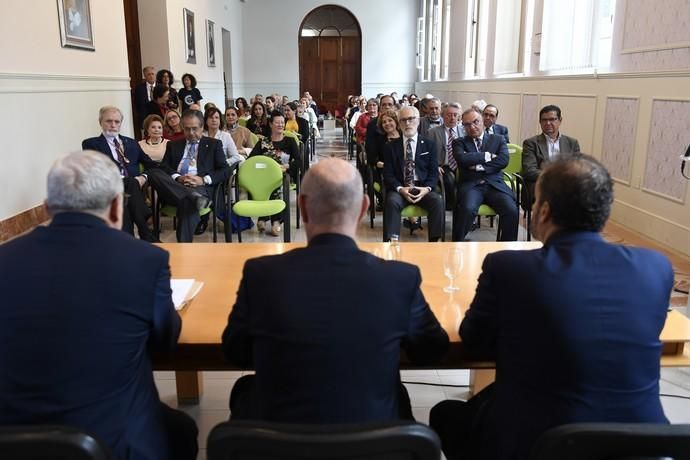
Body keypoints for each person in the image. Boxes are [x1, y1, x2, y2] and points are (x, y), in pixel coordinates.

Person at [430, 153, 672, 460]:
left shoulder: (510, 268)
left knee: (446, 414)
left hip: (542, 444)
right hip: (644, 445)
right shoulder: (656, 267)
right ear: (605, 212)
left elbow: (475, 340)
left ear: (543, 211)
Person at [0, 150, 198, 460]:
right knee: (182, 431)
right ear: (118, 207)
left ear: (47, 209)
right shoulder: (146, 260)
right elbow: (165, 341)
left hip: (15, 441)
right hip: (114, 442)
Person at [222, 157, 449, 423]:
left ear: (303, 208)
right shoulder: (400, 278)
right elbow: (432, 350)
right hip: (376, 444)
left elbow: (235, 351)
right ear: (364, 208)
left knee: (243, 389)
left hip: (278, 441)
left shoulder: (260, 274)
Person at [147, 109, 230, 242]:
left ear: (202, 127)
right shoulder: (173, 145)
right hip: (175, 187)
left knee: (187, 203)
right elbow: (164, 167)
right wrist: (178, 177)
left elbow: (225, 170)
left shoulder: (214, 145)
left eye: (194, 129)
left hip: (201, 188)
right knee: (152, 172)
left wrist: (203, 180)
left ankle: (183, 249)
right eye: (187, 129)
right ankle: (191, 197)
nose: (191, 133)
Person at [82, 105, 158, 242]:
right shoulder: (90, 144)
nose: (113, 125)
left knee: (127, 193)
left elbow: (150, 164)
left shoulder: (132, 143)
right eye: (108, 121)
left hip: (131, 189)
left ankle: (127, 240)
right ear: (100, 122)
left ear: (120, 124)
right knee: (129, 183)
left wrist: (143, 177)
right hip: (108, 187)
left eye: (117, 122)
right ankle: (145, 230)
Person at [452, 108, 518, 242]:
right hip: (472, 186)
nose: (472, 126)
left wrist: (478, 166)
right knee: (467, 209)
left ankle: (505, 248)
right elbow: (462, 159)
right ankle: (456, 244)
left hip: (495, 185)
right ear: (463, 126)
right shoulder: (459, 142)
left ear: (482, 121)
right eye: (467, 124)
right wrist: (487, 156)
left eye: (476, 122)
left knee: (511, 210)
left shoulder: (498, 139)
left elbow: (503, 161)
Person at [382, 106, 444, 242]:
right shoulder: (390, 147)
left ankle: (435, 242)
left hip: (422, 187)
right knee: (392, 202)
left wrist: (426, 189)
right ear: (399, 124)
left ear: (418, 121)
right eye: (403, 120)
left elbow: (433, 172)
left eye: (411, 119)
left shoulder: (429, 145)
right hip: (401, 188)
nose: (407, 123)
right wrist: (400, 189)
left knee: (437, 201)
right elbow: (388, 174)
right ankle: (391, 241)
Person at [247, 110, 300, 237]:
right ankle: (266, 217)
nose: (281, 125)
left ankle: (274, 220)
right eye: (277, 122)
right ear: (271, 124)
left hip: (283, 176)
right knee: (263, 185)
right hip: (263, 177)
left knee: (277, 187)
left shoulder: (290, 141)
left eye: (282, 122)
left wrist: (287, 166)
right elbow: (251, 160)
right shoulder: (264, 142)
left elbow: (299, 161)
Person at [522, 104, 581, 207]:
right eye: (544, 120)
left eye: (552, 119)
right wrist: (554, 178)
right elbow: (529, 171)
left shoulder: (572, 143)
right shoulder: (530, 143)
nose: (548, 123)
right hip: (540, 184)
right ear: (540, 122)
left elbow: (576, 168)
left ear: (560, 120)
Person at [427, 102, 464, 211]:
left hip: (461, 165)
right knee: (448, 180)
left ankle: (465, 209)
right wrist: (434, 166)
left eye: (455, 115)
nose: (452, 118)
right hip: (443, 165)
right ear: (443, 116)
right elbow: (427, 153)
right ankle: (452, 207)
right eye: (449, 115)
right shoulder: (432, 132)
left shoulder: (464, 131)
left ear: (459, 117)